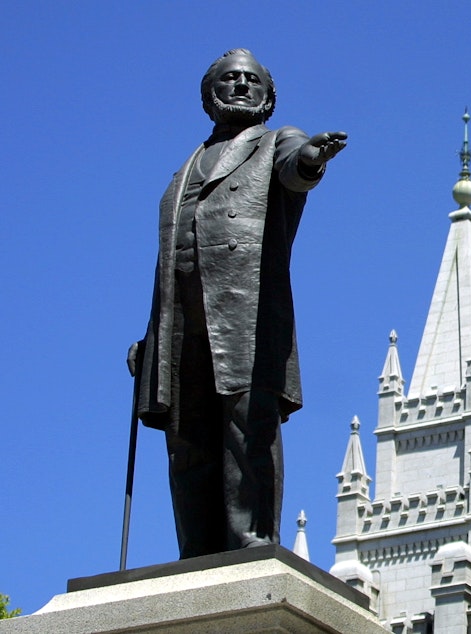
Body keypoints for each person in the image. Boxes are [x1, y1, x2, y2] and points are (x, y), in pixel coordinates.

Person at [127, 48, 347, 558]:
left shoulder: (275, 143)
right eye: (230, 79)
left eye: (253, 80)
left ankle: (251, 541)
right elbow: (169, 264)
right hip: (181, 323)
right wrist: (151, 337)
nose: (242, 86)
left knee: (247, 430)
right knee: (187, 440)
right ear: (210, 95)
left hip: (244, 316)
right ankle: (198, 550)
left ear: (268, 97)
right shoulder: (182, 171)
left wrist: (312, 159)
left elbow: (297, 168)